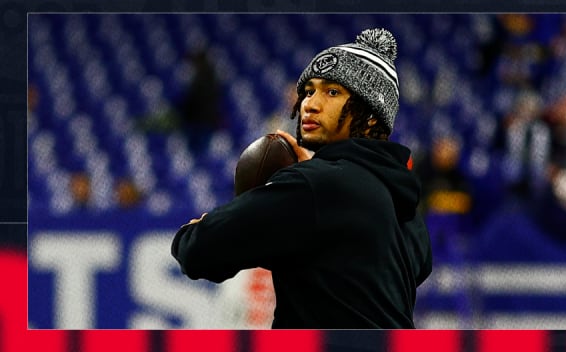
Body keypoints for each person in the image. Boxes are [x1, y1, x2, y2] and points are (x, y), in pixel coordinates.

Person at [171, 28, 432, 329]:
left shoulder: (316, 187)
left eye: (332, 92)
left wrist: (195, 231)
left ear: (372, 115)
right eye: (309, 91)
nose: (309, 103)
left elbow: (199, 252)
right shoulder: (402, 201)